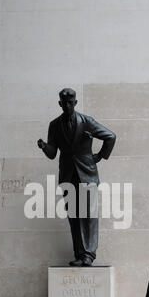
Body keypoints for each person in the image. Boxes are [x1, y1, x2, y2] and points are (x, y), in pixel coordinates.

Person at [37, 88, 116, 266]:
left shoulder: (87, 122)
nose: (67, 105)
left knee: (89, 214)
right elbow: (52, 153)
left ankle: (89, 254)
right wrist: (44, 146)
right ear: (60, 104)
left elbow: (110, 137)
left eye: (70, 103)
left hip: (87, 174)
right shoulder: (54, 125)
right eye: (63, 103)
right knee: (74, 216)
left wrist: (99, 156)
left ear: (75, 103)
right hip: (68, 174)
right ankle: (80, 255)